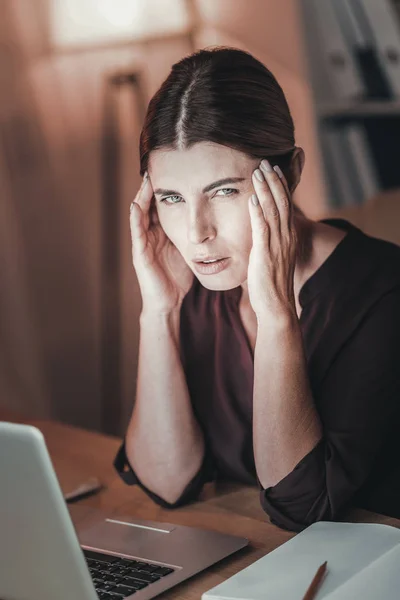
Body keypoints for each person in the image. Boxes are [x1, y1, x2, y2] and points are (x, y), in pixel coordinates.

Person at [113, 47, 400, 532]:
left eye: (223, 191)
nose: (196, 232)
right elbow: (165, 481)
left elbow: (302, 508)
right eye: (172, 198)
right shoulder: (198, 280)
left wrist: (276, 317)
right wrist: (158, 311)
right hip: (248, 557)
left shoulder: (382, 292)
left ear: (290, 175)